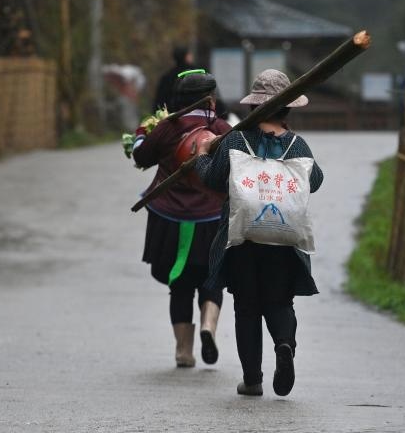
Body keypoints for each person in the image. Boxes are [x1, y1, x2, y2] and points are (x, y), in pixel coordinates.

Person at [193, 69, 323, 397]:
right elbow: (315, 180)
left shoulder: (237, 140)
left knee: (247, 308)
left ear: (254, 108)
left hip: (242, 239)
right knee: (280, 303)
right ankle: (284, 345)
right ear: (288, 109)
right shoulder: (298, 145)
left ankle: (252, 380)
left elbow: (212, 178)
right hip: (283, 240)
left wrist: (201, 155)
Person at [132, 70, 233, 367]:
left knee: (180, 284)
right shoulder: (224, 129)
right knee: (212, 279)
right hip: (212, 219)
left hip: (169, 218)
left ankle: (183, 351)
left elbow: (141, 157)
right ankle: (208, 326)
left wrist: (141, 134)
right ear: (212, 99)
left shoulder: (166, 128)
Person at [153, 45, 229, 119]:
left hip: (174, 122)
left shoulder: (167, 78)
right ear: (187, 56)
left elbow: (158, 105)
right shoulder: (201, 75)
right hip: (204, 119)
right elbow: (217, 102)